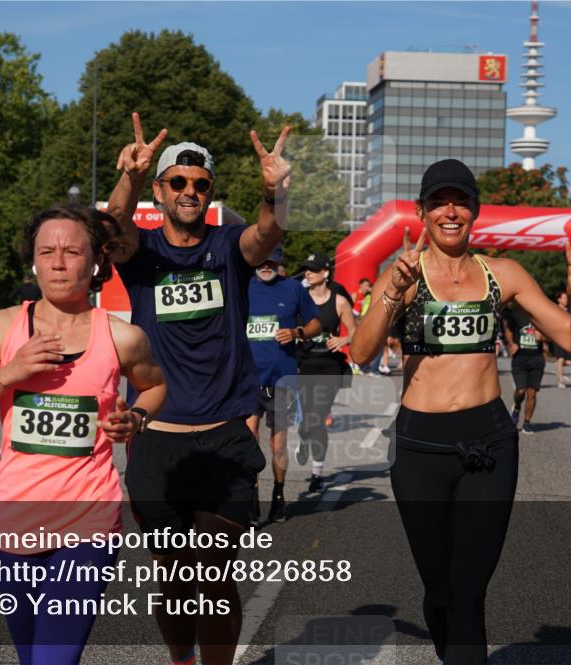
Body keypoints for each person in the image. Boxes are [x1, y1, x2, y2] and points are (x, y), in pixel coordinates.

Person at [350, 158, 571, 665]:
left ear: (475, 211)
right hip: (420, 446)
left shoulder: (502, 273)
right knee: (440, 589)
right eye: (439, 201)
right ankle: (446, 627)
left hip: (488, 441)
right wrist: (391, 293)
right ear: (422, 211)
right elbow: (361, 352)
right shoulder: (404, 273)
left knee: (469, 589)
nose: (450, 211)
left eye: (460, 201)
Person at [0, 205, 166, 665]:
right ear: (34, 261)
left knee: (52, 661)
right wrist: (10, 372)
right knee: (32, 657)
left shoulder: (123, 337)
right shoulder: (2, 328)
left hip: (88, 524)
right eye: (47, 251)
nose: (59, 262)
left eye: (72, 251)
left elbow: (155, 385)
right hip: (12, 525)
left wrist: (136, 418)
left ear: (96, 262)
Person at [105, 113, 290, 665]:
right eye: (178, 182)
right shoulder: (142, 256)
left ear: (210, 192)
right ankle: (181, 660)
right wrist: (130, 177)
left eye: (200, 183)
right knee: (175, 580)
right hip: (158, 441)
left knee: (215, 574)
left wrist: (274, 188)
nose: (190, 190)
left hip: (225, 438)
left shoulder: (230, 246)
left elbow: (270, 232)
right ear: (161, 190)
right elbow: (111, 229)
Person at [245, 244, 321, 523]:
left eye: (272, 261)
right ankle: (251, 500)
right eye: (262, 260)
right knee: (248, 440)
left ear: (279, 263)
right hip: (249, 378)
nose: (266, 265)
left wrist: (296, 332)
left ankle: (278, 494)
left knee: (278, 443)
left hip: (282, 379)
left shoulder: (293, 289)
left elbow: (316, 324)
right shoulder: (242, 286)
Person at [296, 251, 359, 494]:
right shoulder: (300, 298)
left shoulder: (339, 301)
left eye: (313, 269)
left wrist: (344, 339)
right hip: (305, 364)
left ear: (325, 273)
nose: (308, 273)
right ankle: (304, 438)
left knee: (318, 418)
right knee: (306, 422)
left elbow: (355, 331)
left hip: (330, 367)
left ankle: (317, 473)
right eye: (306, 269)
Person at [504, 306, 545, 435]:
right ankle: (516, 408)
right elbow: (509, 330)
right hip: (520, 358)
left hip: (537, 359)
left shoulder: (541, 315)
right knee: (521, 390)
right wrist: (511, 344)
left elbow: (552, 334)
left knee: (532, 393)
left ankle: (527, 423)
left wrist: (543, 337)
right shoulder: (516, 314)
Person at [548, 291, 571, 388]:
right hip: (557, 338)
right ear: (559, 299)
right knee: (561, 359)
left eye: (567, 298)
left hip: (568, 339)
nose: (566, 300)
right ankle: (560, 381)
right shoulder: (554, 310)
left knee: (568, 362)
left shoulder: (569, 311)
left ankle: (559, 366)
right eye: (564, 298)